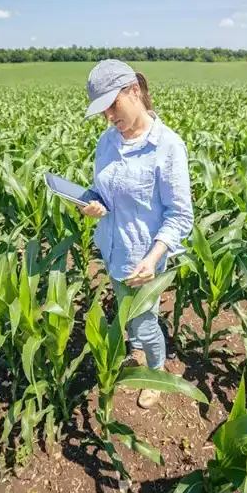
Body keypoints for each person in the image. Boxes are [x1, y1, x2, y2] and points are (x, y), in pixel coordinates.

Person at [81, 59, 193, 408]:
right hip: (113, 249)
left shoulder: (167, 147)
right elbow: (103, 190)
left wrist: (153, 258)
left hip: (143, 259)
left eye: (112, 106)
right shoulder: (107, 140)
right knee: (125, 313)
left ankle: (157, 373)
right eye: (102, 112)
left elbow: (179, 215)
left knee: (145, 322)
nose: (108, 117)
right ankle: (135, 351)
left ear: (133, 91)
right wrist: (91, 203)